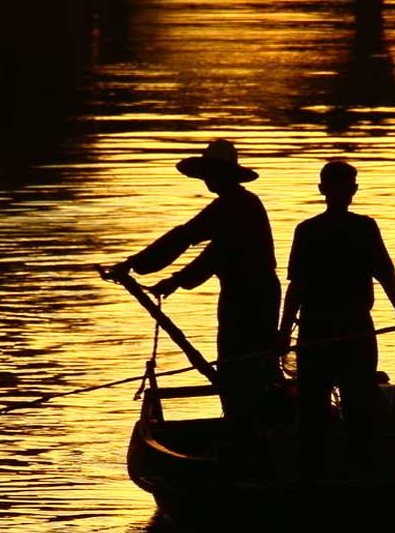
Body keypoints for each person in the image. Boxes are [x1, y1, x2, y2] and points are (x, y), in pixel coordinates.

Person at [110, 139, 280, 425]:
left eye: (212, 174)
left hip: (251, 297)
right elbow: (214, 253)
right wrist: (171, 280)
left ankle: (252, 426)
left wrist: (135, 265)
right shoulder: (233, 205)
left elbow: (188, 237)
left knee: (244, 365)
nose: (208, 181)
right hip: (244, 294)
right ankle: (247, 423)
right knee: (242, 365)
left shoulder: (235, 206)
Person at [279, 160, 395, 471]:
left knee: (315, 406)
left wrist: (283, 332)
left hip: (322, 331)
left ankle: (316, 466)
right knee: (357, 402)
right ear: (352, 191)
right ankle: (359, 464)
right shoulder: (362, 227)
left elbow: (297, 289)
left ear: (322, 190)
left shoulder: (308, 231)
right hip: (351, 329)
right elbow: (386, 275)